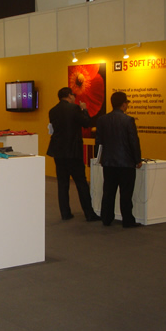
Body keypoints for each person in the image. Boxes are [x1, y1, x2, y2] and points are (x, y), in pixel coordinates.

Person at [47, 87, 101, 222]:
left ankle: (65, 213)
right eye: (73, 95)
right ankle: (89, 213)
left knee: (62, 183)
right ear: (69, 96)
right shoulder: (74, 108)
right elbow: (87, 123)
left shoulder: (53, 111)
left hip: (58, 151)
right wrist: (84, 109)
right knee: (81, 183)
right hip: (73, 151)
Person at [96, 91, 143, 228]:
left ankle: (106, 218)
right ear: (124, 104)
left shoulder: (102, 120)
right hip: (125, 162)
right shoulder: (128, 120)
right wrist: (137, 159)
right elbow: (133, 141)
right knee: (126, 193)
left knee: (108, 191)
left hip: (108, 162)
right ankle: (127, 220)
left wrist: (99, 158)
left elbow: (99, 141)